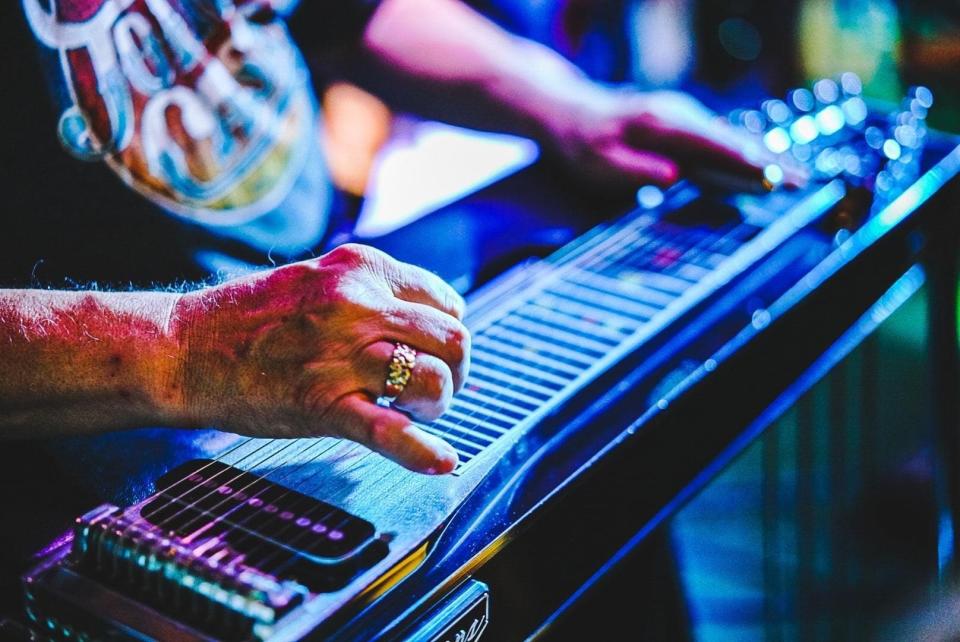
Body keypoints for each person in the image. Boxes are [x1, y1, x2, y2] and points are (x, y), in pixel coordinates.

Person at [0, 0, 793, 475]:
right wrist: (188, 349)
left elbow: (346, 13)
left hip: (317, 328)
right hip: (79, 432)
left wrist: (569, 105)